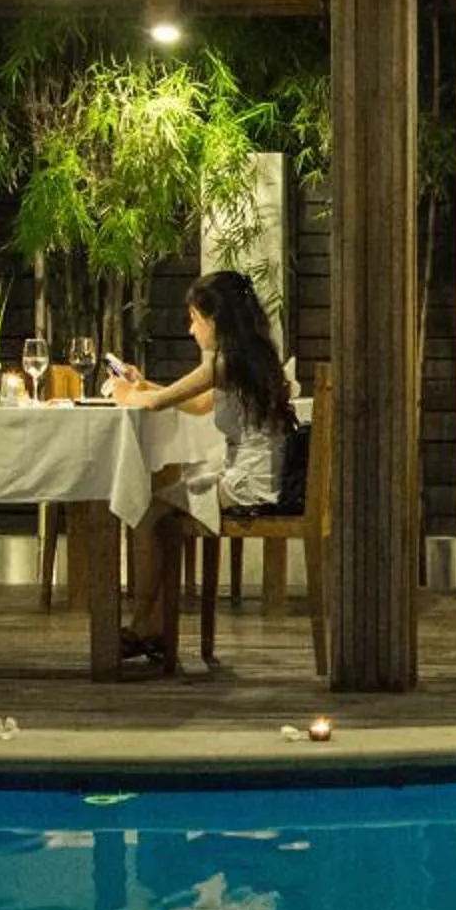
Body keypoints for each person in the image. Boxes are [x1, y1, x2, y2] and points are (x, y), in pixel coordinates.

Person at [112, 270, 302, 661]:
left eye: (195, 319)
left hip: (248, 485)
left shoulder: (226, 362)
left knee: (147, 513)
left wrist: (127, 394)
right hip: (257, 476)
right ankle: (154, 628)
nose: (190, 330)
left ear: (214, 320)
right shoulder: (252, 356)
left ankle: (143, 625)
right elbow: (196, 403)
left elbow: (156, 405)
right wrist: (143, 386)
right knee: (160, 512)